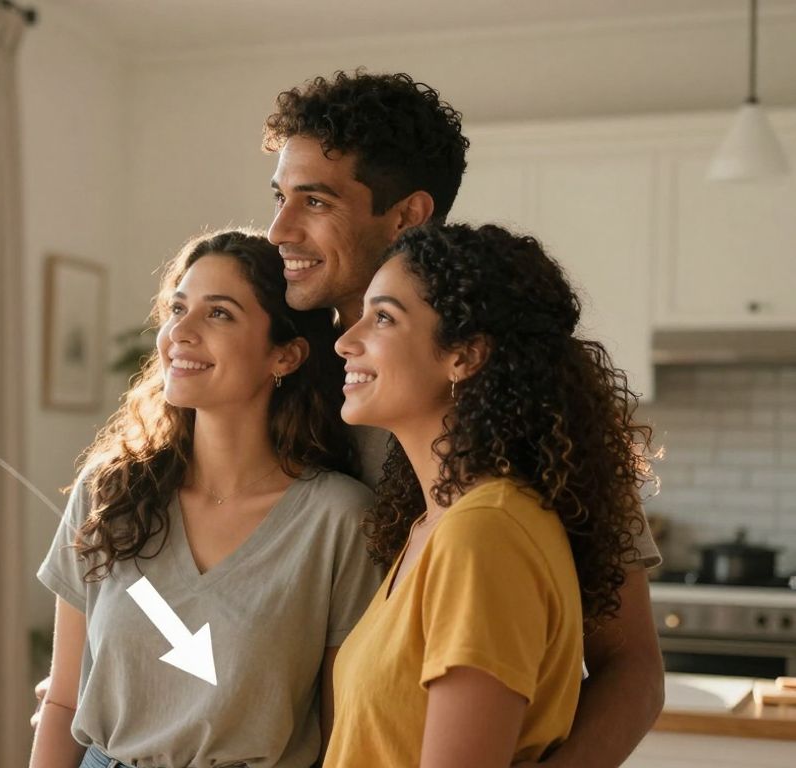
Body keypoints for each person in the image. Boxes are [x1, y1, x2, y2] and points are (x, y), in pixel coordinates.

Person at [263, 71, 663, 767]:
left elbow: (629, 667)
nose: (279, 230)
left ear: (407, 214)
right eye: (279, 197)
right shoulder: (279, 376)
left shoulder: (530, 426)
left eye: (315, 200)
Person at [29, 230, 381, 768]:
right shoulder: (110, 491)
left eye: (218, 314)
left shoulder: (339, 521)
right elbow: (63, 700)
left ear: (284, 356)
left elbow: (343, 734)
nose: (180, 333)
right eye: (177, 308)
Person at [323, 222, 655, 765]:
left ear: (464, 355)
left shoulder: (484, 534)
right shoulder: (436, 525)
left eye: (382, 317)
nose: (345, 340)